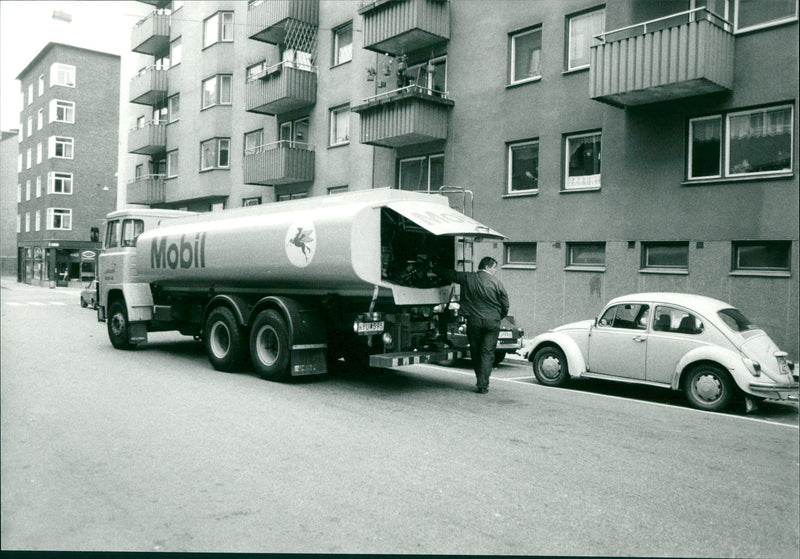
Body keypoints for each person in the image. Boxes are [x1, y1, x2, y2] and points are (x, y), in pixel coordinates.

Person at [437, 257, 510, 394]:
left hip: (474, 321)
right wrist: (498, 317)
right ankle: (483, 384)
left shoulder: (468, 277)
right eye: (494, 267)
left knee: (476, 351)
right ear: (488, 267)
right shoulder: (497, 283)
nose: (495, 270)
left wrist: (435, 268)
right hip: (492, 322)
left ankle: (479, 379)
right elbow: (505, 304)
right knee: (487, 353)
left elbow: (451, 274)